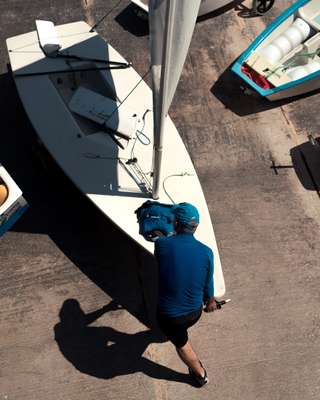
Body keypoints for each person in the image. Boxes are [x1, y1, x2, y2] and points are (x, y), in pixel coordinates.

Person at [154, 202, 218, 387]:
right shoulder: (207, 252)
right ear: (196, 226)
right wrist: (211, 301)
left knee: (182, 344)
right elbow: (208, 283)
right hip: (195, 313)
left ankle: (199, 374)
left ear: (176, 224)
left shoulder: (162, 245)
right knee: (181, 328)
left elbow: (162, 257)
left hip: (170, 317)